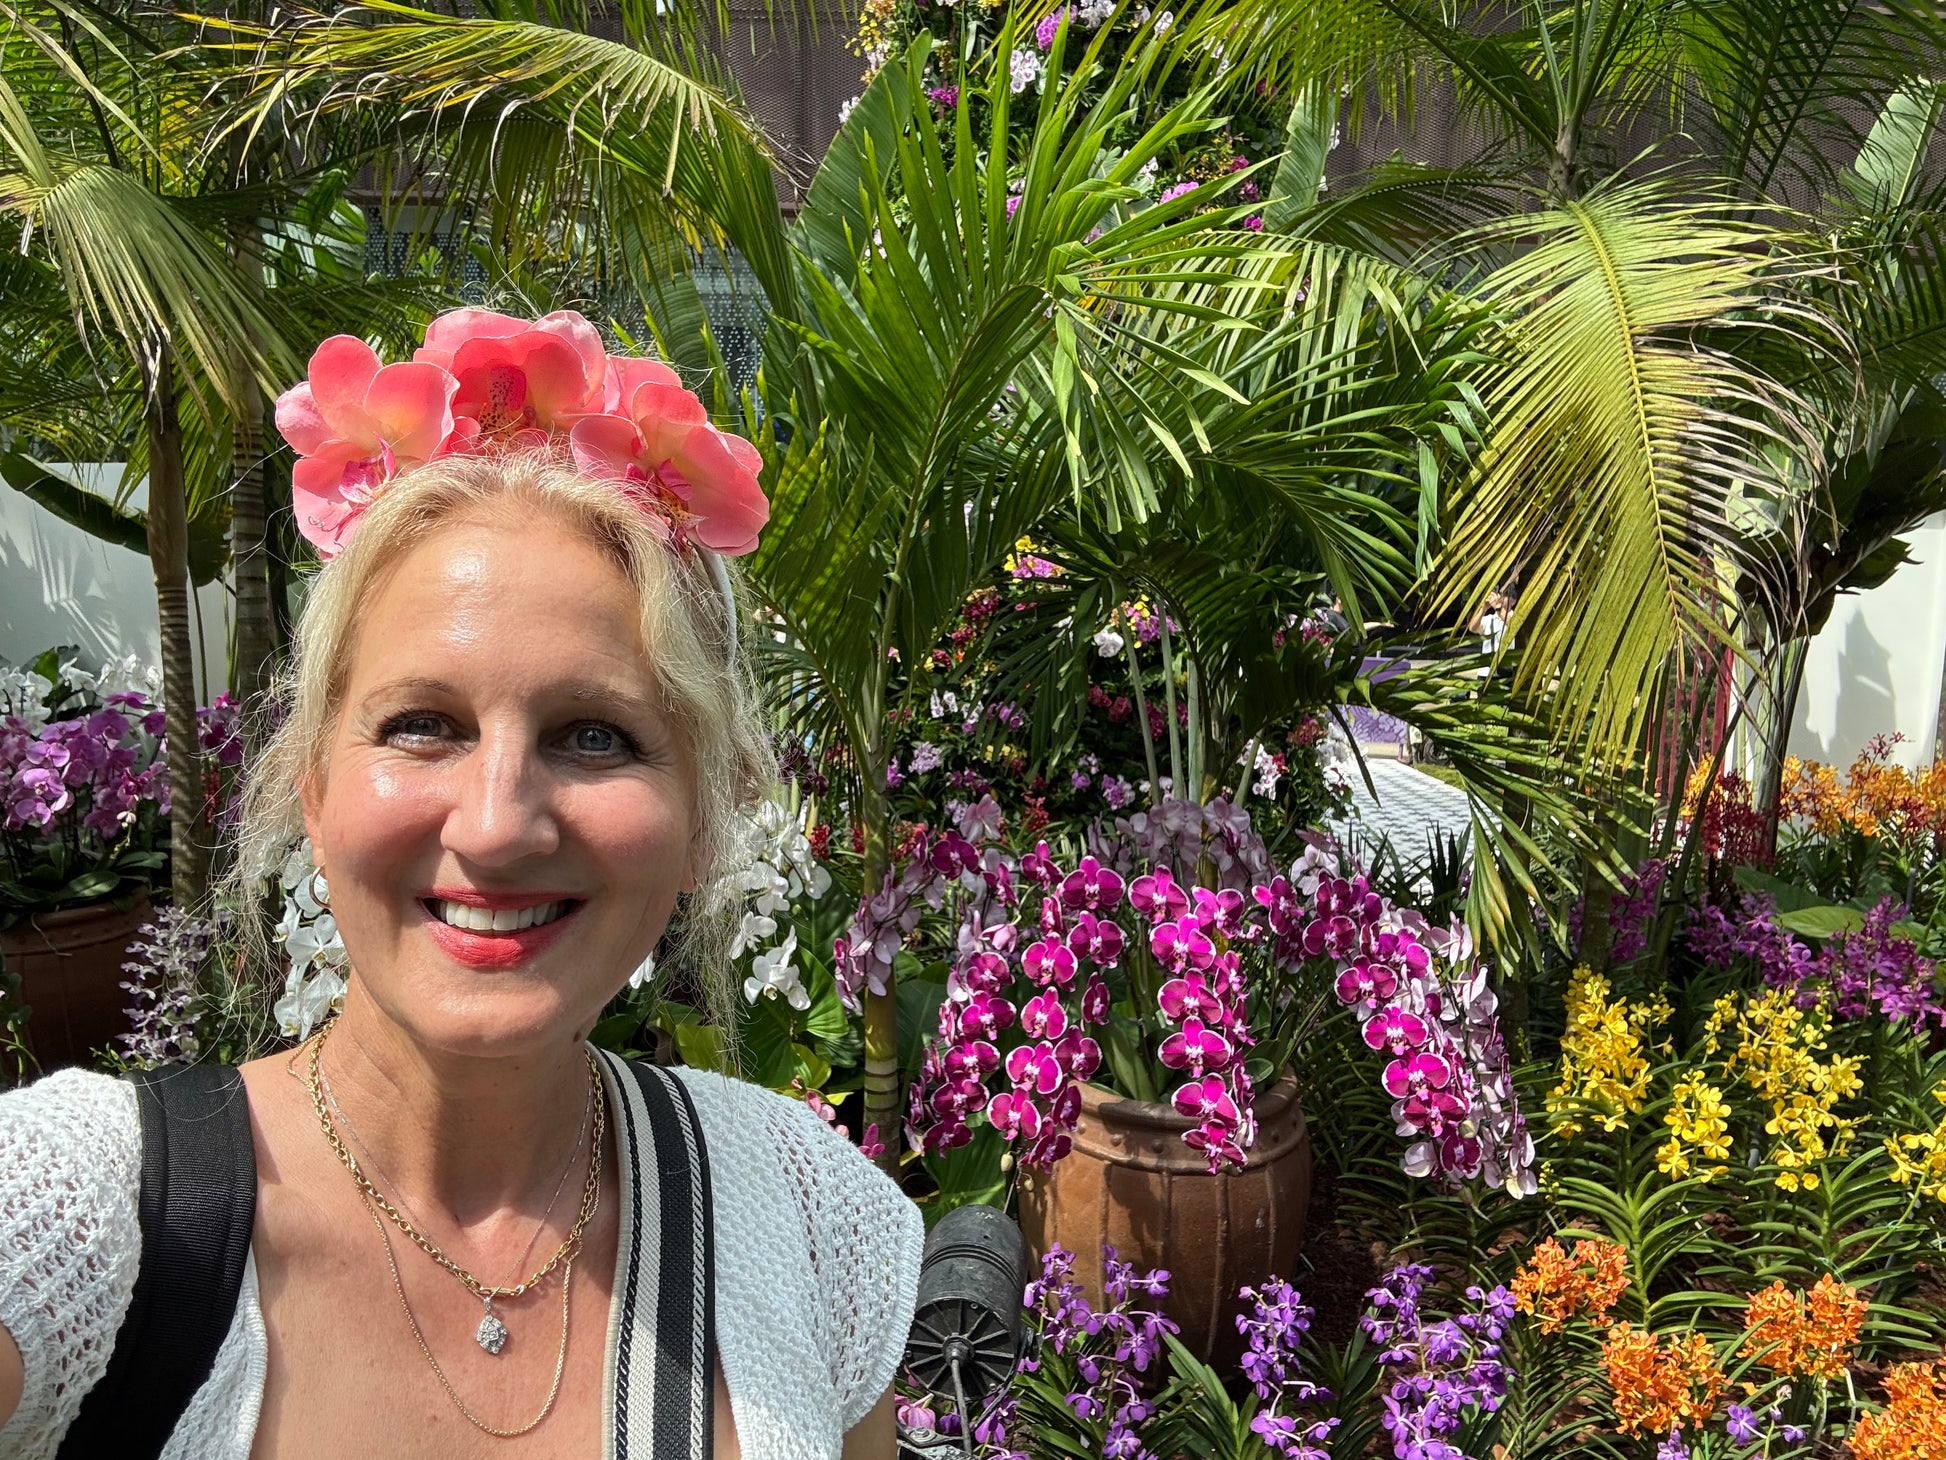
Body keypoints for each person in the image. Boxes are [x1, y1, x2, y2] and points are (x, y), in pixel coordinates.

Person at [0, 310, 923, 1459]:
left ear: (701, 816)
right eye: (422, 723)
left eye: (593, 735)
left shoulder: (808, 1218)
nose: (494, 826)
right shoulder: (84, 1211)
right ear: (312, 783)